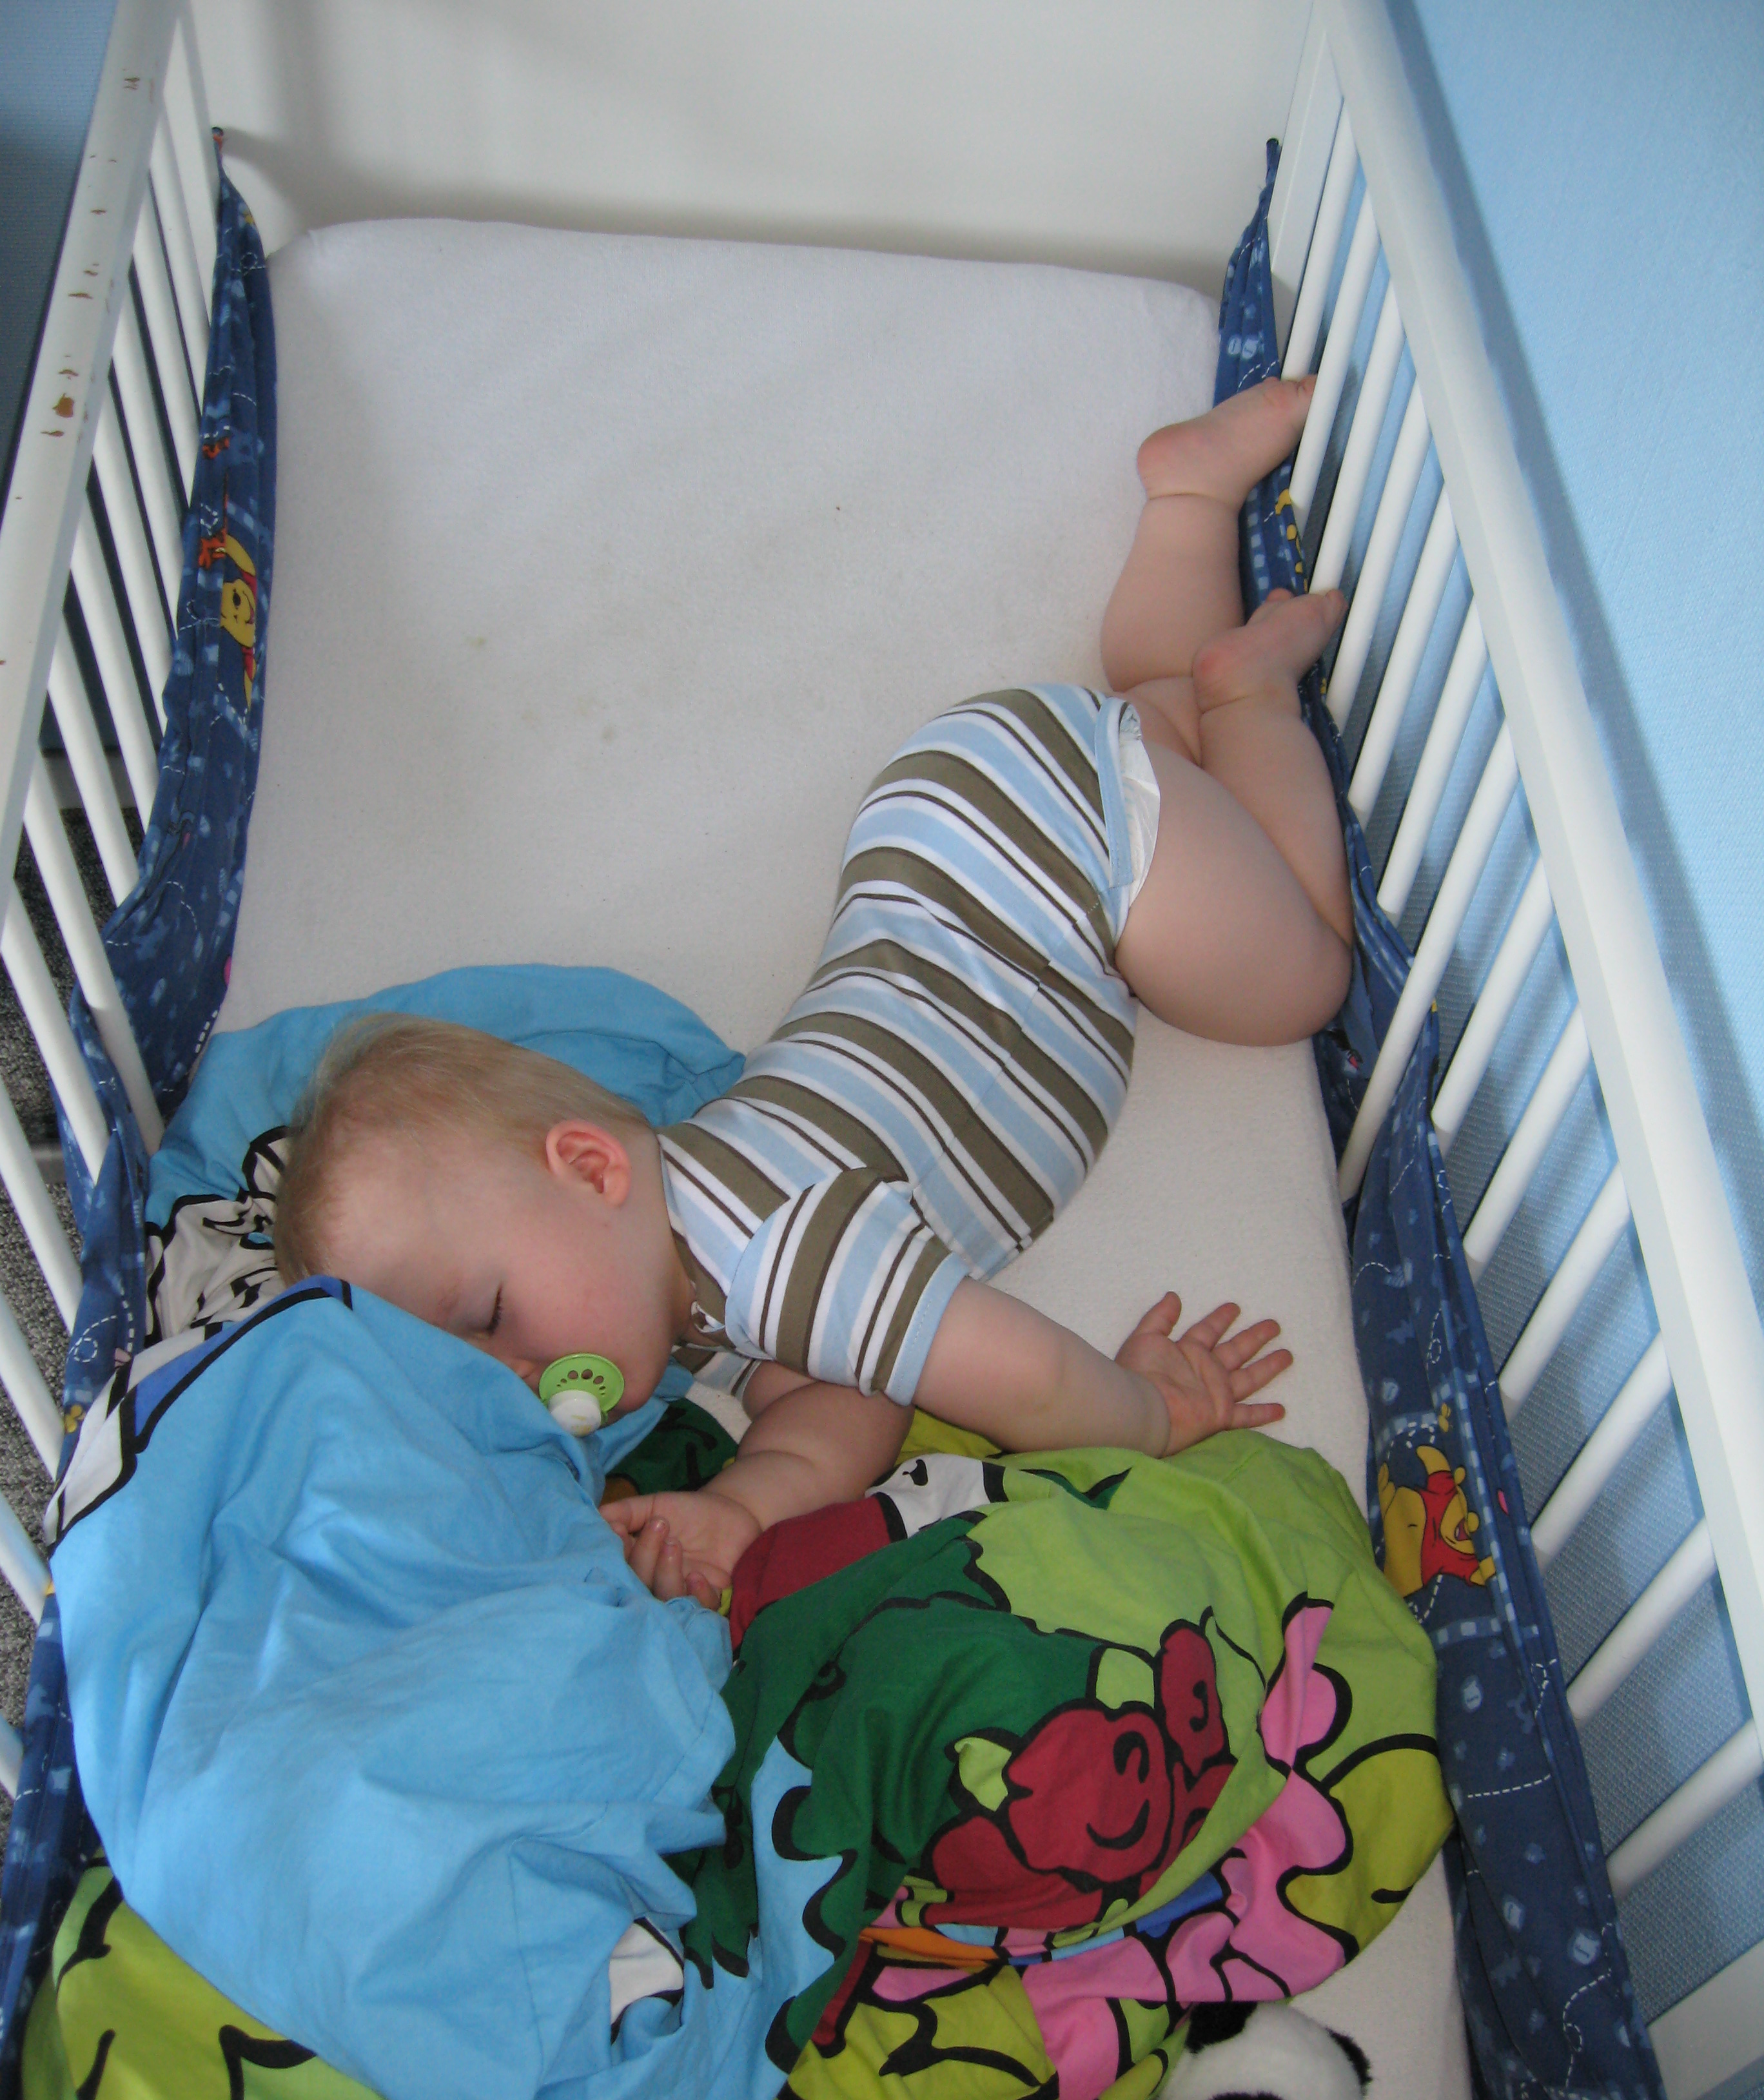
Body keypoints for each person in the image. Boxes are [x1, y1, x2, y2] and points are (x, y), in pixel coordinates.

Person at [275, 376, 1352, 1607]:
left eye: (492, 1314)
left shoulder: (782, 1251)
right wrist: (744, 1507)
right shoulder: (705, 1265)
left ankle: (1252, 694)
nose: (521, 1377)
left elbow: (1031, 1383)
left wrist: (1149, 1413)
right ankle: (1188, 502)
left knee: (1301, 979)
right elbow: (852, 1398)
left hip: (1067, 863)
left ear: (590, 1165)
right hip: (941, 821)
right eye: (470, 1374)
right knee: (1151, 722)